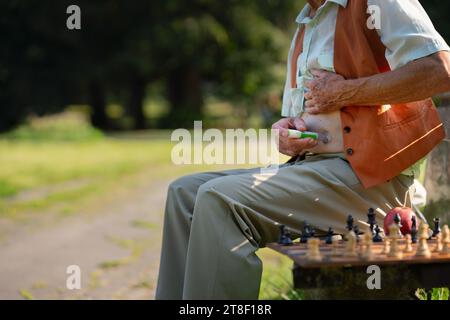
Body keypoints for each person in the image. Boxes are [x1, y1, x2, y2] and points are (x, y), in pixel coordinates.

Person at [156, 0, 450, 299]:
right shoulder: (305, 24)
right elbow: (301, 115)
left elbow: (439, 70)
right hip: (316, 171)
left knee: (219, 200)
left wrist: (346, 92)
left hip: (372, 180)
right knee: (185, 194)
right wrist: (286, 133)